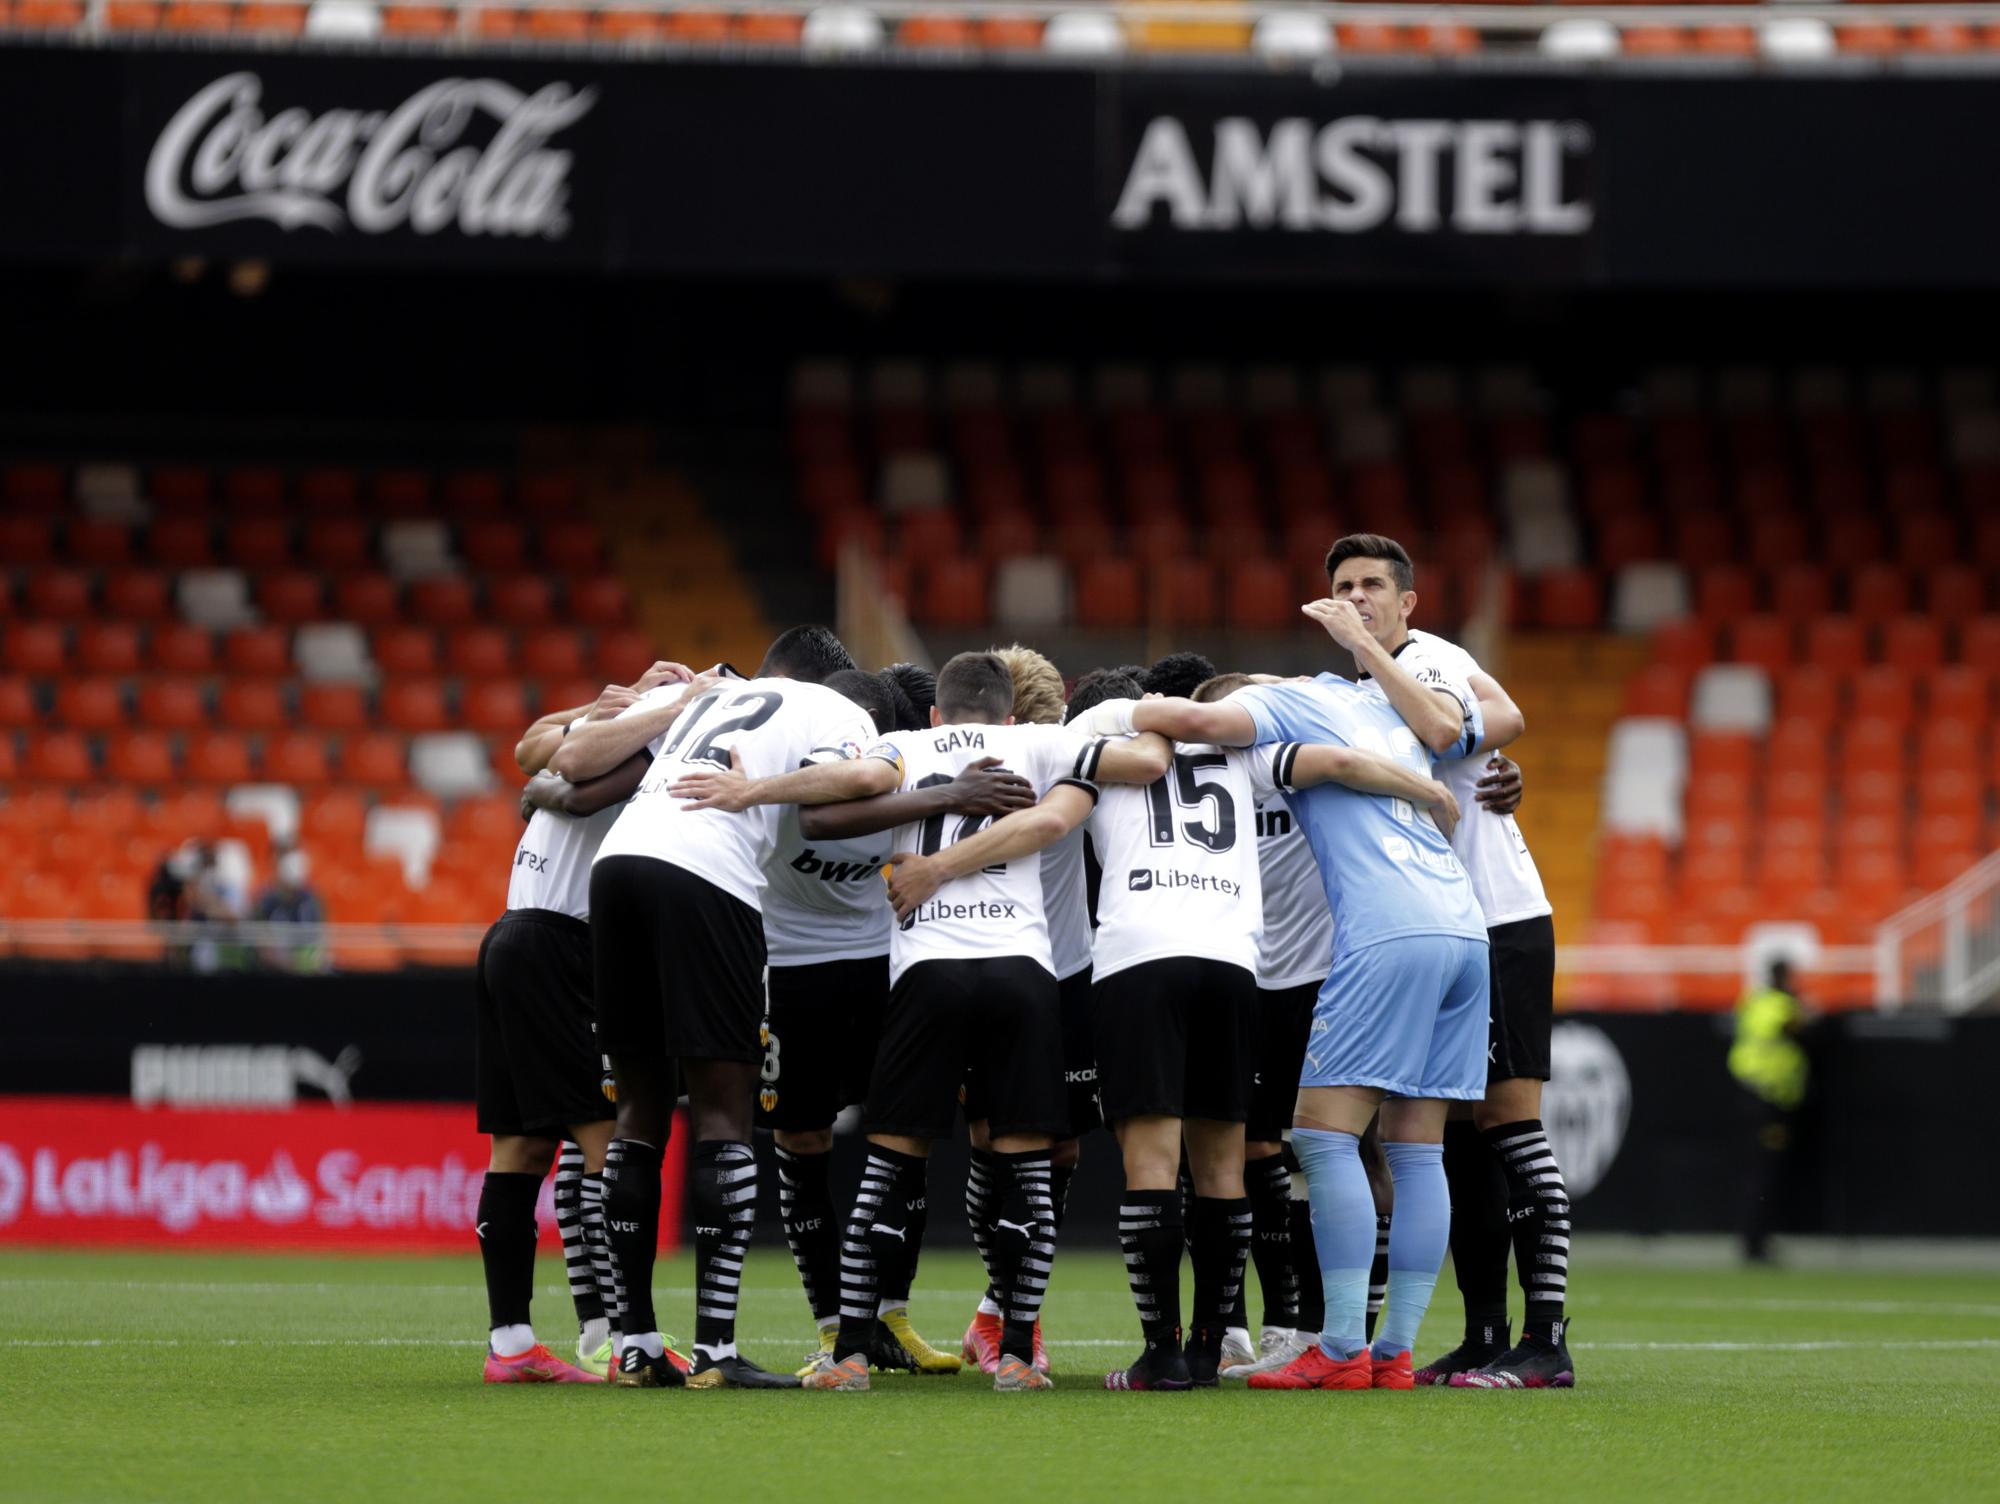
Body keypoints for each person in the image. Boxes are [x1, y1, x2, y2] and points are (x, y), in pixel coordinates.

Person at [671, 650, 1170, 1392]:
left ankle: (848, 1356)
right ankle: (1016, 1357)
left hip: (927, 971)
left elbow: (833, 802)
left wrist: (752, 791)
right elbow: (1147, 765)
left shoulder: (902, 747)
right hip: (1022, 972)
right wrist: (1145, 715)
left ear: (935, 713)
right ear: (1008, 716)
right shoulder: (1039, 744)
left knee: (887, 1164)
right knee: (1028, 1169)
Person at [1070, 676, 1483, 1392]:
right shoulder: (1250, 755)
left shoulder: (1095, 731)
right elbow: (1345, 764)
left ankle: (1173, 1356)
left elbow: (1070, 812)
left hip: (1144, 954)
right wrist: (1428, 789)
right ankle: (1262, 1348)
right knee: (1378, 1153)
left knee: (1167, 1164)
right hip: (1244, 961)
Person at [553, 623, 871, 1390]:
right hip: (707, 876)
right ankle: (717, 1353)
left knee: (637, 1115)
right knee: (725, 1116)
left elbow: (570, 763)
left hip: (619, 866)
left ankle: (634, 1345)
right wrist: (758, 791)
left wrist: (670, 700)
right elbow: (857, 786)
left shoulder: (711, 696)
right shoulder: (837, 711)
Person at [1307, 532, 1574, 1389]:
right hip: (1440, 921)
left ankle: (1548, 1340)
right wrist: (1499, 748)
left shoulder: (1421, 659)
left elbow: (1451, 723)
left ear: (1407, 602)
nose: (1356, 600)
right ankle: (1486, 1332)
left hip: (1495, 919)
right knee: (1447, 1137)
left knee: (1508, 1125)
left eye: (1372, 586)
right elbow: (1502, 717)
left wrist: (1489, 744)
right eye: (1343, 587)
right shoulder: (1362, 684)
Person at [759, 664, 1031, 1378]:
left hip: (887, 965)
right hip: (793, 970)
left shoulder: (899, 775)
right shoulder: (789, 772)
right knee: (801, 1138)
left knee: (907, 1138)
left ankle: (889, 1317)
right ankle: (831, 1327)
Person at [475, 746, 655, 1385]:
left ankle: (512, 1343)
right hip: (562, 947)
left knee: (521, 1148)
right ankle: (629, 1339)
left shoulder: (591, 731)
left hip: (510, 935)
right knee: (610, 1136)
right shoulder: (656, 738)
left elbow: (535, 747)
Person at [958, 644, 1099, 1376]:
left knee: (1061, 1149)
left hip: (1067, 970)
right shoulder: (964, 768)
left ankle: (999, 1308)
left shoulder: (1075, 757)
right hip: (991, 962)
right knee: (992, 1140)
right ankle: (1015, 1316)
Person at [1730, 958, 1811, 1264]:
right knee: (1763, 1174)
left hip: (1756, 1094)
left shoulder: (1753, 1001)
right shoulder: (1777, 1004)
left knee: (1759, 1172)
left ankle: (1755, 1238)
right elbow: (1791, 1027)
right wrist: (1802, 1010)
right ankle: (1755, 1242)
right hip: (1766, 1097)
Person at [254, 849, 326, 973]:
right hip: (275, 969)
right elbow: (264, 947)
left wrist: (308, 964)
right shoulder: (266, 902)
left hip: (305, 968)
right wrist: (288, 965)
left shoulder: (311, 901)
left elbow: (321, 941)